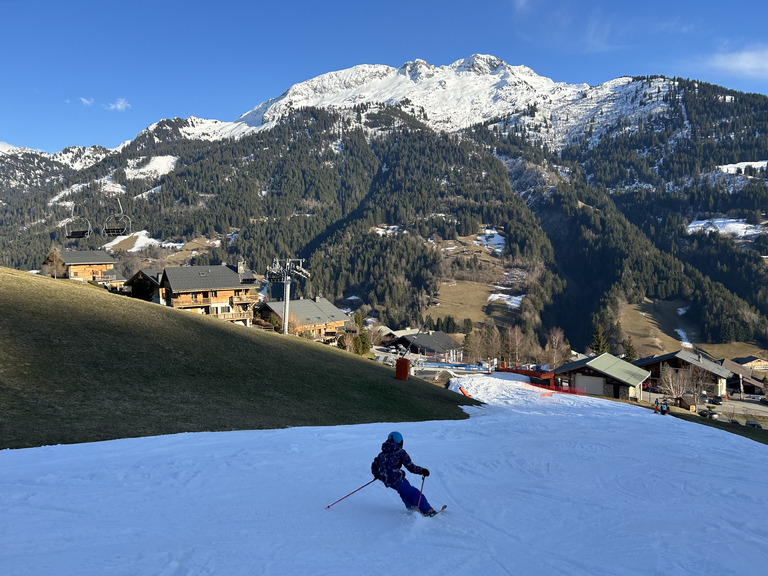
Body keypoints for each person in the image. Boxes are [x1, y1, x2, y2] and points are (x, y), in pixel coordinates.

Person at [371, 431, 437, 516]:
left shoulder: (382, 454)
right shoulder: (400, 452)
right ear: (399, 441)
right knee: (413, 492)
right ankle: (427, 510)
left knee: (403, 491)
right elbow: (411, 467)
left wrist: (377, 475)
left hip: (387, 481)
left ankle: (411, 507)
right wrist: (422, 471)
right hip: (397, 478)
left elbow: (375, 465)